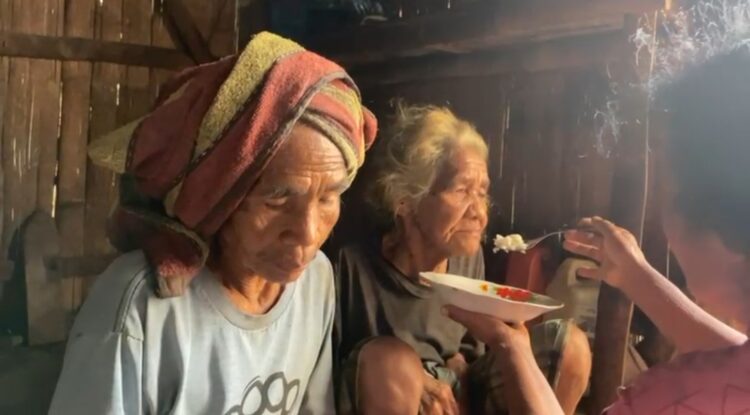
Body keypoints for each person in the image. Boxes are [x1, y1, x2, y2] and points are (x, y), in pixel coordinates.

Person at [49, 32, 377, 414]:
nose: (308, 233)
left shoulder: (315, 280)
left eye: (327, 198)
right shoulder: (141, 309)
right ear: (219, 198)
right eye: (278, 199)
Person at [446, 46, 750, 413]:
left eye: (666, 185)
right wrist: (637, 277)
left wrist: (511, 346)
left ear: (716, 216)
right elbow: (734, 357)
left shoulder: (673, 400)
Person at [333, 104, 591, 415]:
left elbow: (469, 356)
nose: (479, 213)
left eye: (481, 193)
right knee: (390, 365)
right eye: (461, 190)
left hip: (453, 397)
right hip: (389, 391)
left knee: (570, 346)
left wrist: (461, 367)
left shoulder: (468, 259)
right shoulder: (349, 265)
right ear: (406, 200)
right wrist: (417, 378)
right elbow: (332, 369)